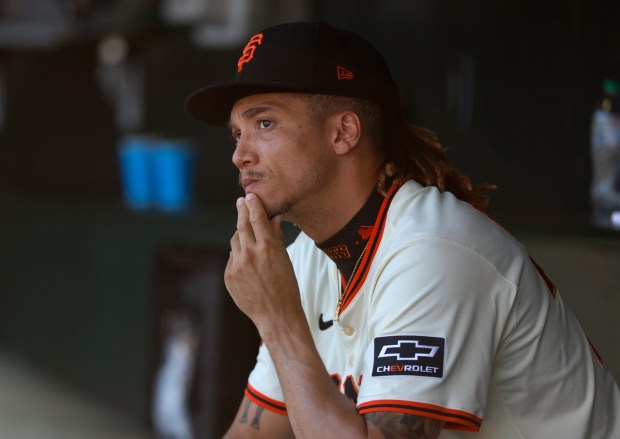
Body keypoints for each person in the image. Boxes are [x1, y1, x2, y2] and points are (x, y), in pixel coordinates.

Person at [185, 21, 620, 439]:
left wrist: (277, 319)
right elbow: (251, 433)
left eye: (264, 124)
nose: (239, 155)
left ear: (343, 132)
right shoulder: (304, 259)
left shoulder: (434, 250)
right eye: (236, 134)